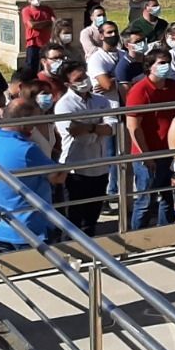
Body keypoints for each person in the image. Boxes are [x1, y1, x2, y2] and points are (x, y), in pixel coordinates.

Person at [0, 99, 65, 252]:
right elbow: (57, 177)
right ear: (24, 121)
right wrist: (66, 165)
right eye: (34, 120)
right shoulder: (28, 149)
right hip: (31, 229)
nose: (36, 125)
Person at [124, 50, 175, 229]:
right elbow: (133, 126)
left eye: (168, 62)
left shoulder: (173, 87)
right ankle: (138, 236)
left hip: (169, 151)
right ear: (150, 66)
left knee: (167, 197)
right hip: (147, 154)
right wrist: (146, 155)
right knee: (145, 200)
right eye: (161, 63)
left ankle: (166, 234)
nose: (166, 66)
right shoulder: (139, 90)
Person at [55, 62, 113, 234]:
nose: (84, 81)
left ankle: (90, 257)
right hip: (76, 171)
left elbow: (112, 128)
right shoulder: (65, 105)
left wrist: (90, 128)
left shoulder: (101, 100)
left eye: (84, 76)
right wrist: (97, 128)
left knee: (91, 219)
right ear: (68, 84)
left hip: (100, 168)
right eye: (78, 79)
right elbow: (76, 135)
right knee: (73, 221)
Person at [19, 0, 56, 75]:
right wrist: (47, 22)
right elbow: (32, 25)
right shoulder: (26, 11)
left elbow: (54, 22)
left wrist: (42, 24)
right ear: (28, 0)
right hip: (33, 43)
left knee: (46, 66)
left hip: (46, 42)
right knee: (31, 67)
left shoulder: (47, 9)